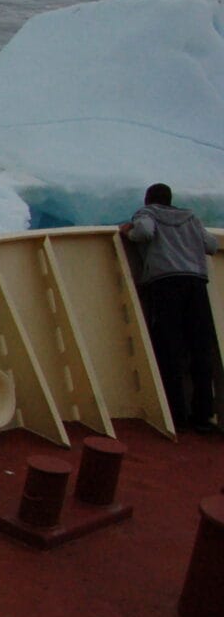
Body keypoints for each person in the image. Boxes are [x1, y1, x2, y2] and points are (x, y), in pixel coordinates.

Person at [120, 183, 219, 433]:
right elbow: (212, 245)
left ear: (148, 200)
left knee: (169, 347)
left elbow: (144, 233)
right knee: (200, 348)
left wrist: (128, 231)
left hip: (165, 285)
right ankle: (204, 413)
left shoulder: (148, 214)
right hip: (196, 284)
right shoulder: (191, 217)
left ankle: (175, 414)